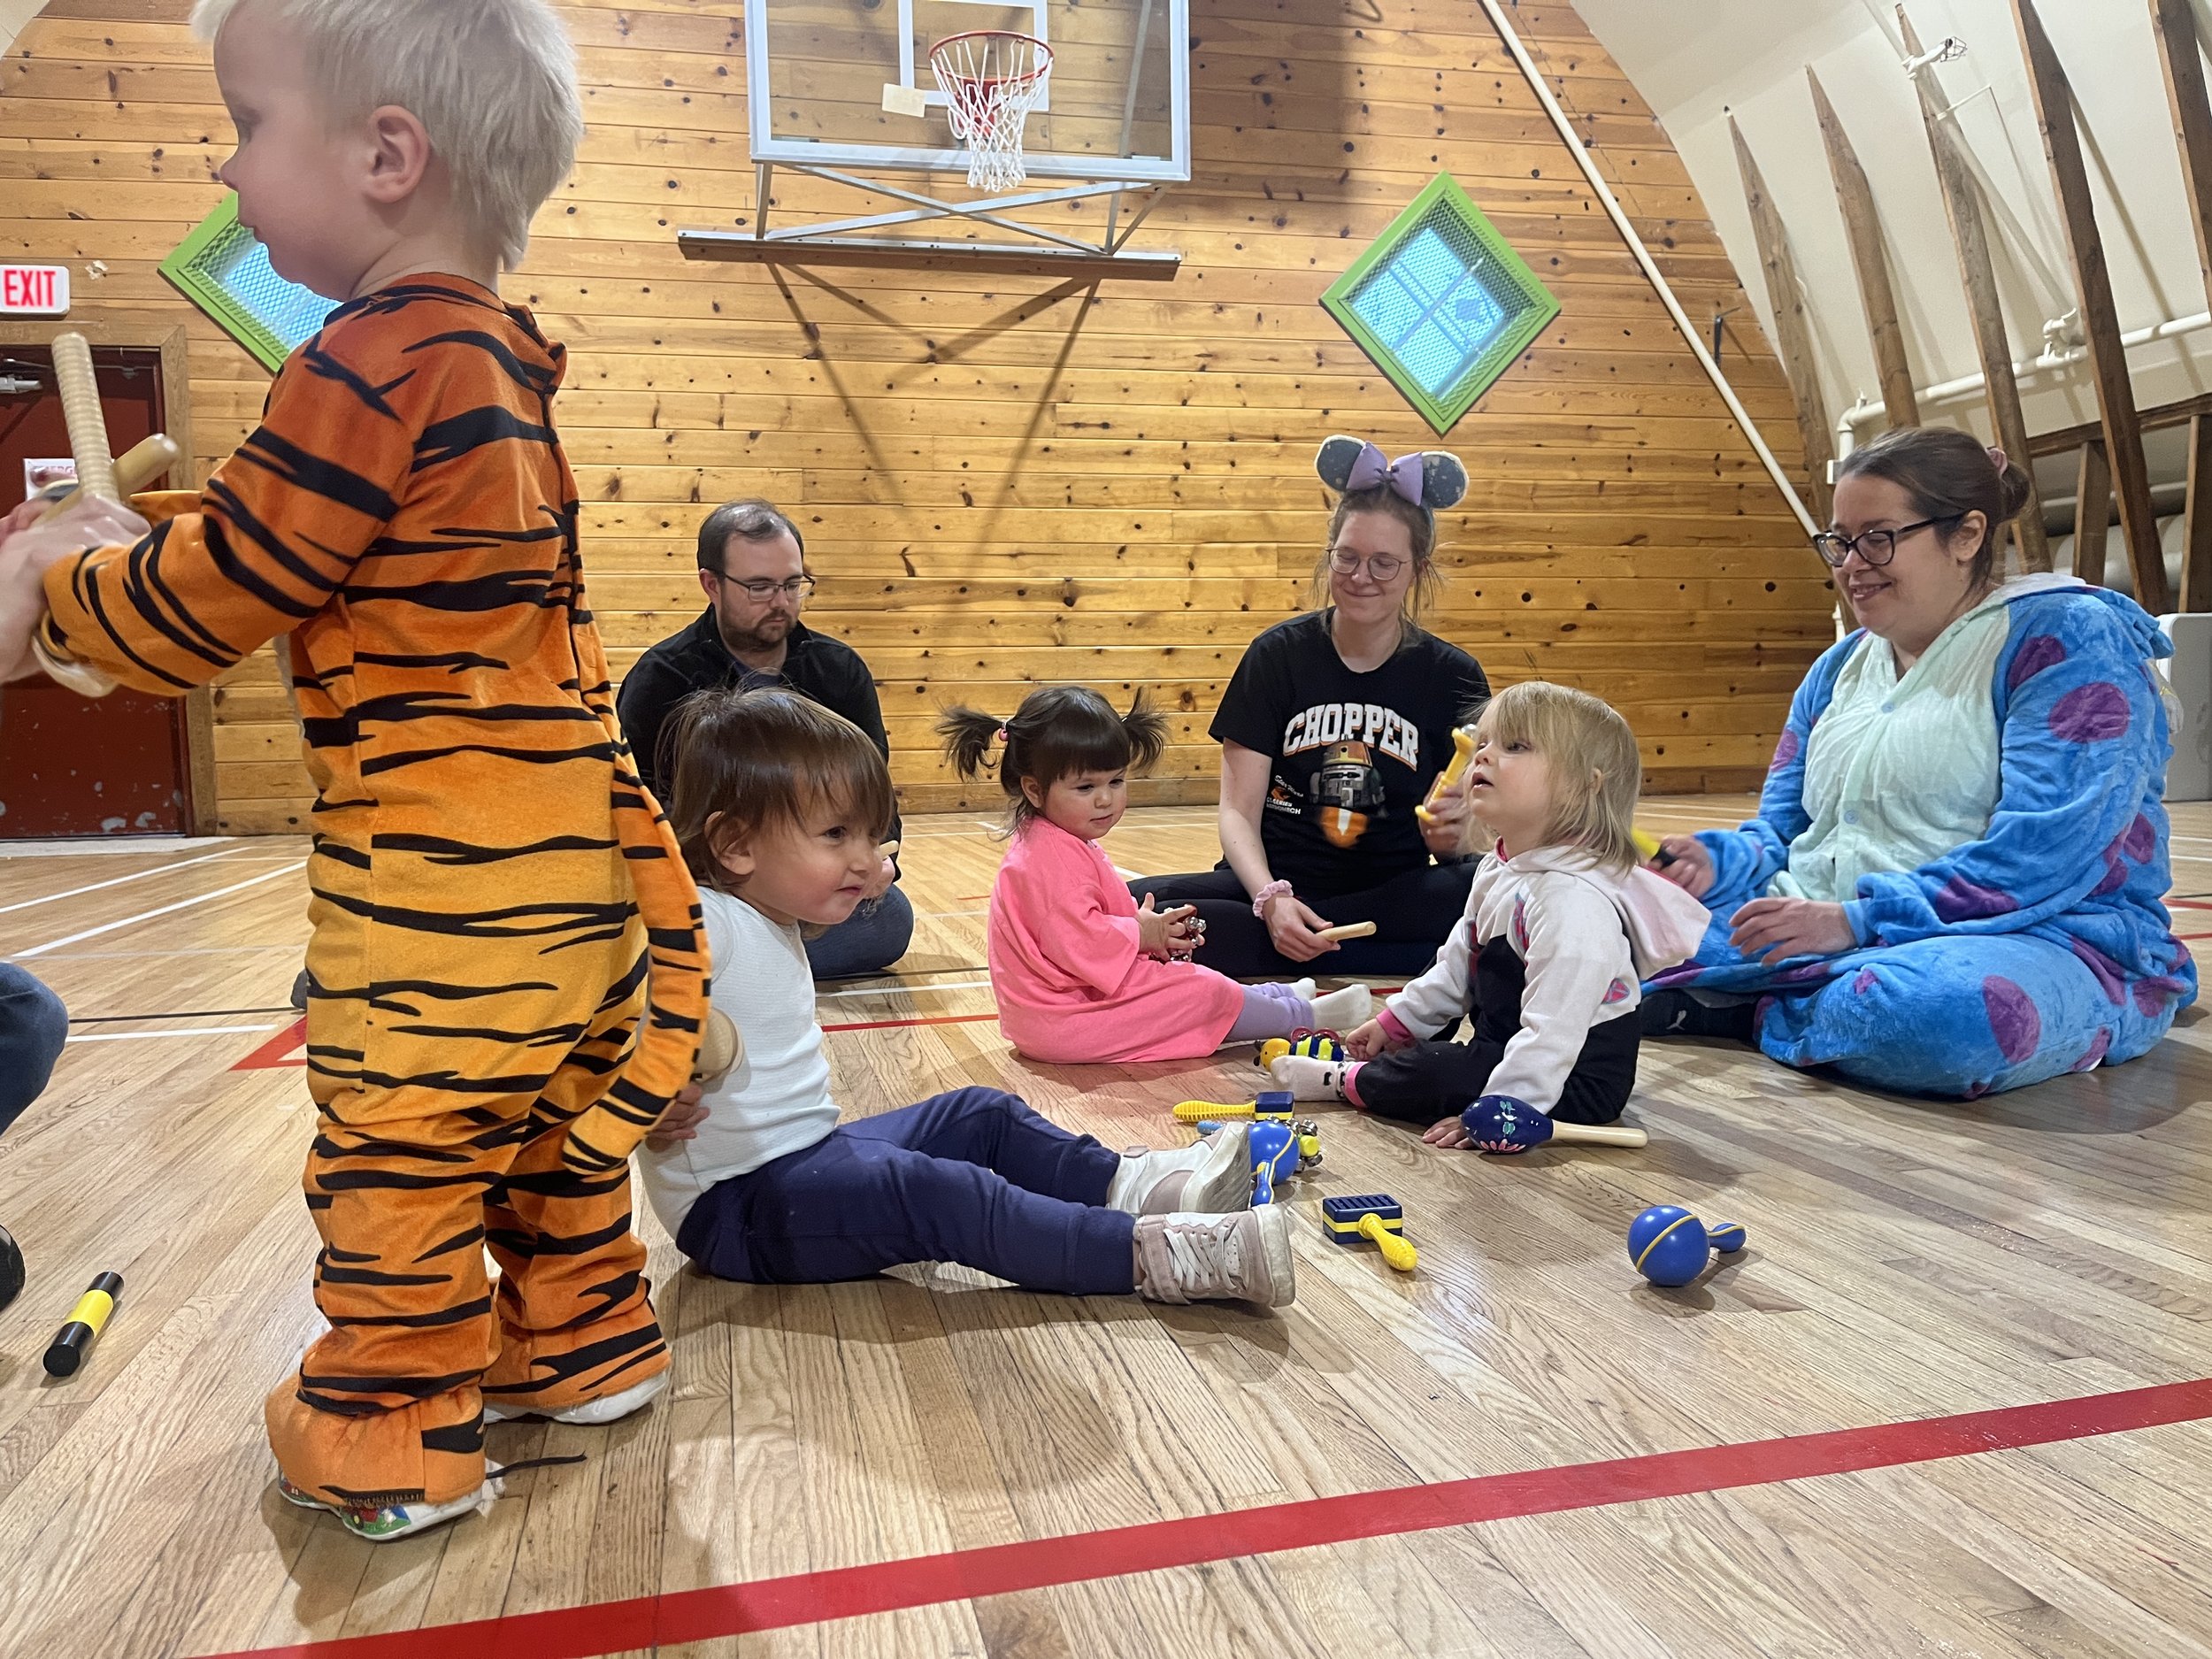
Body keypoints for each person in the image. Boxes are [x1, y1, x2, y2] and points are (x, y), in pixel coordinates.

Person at [0, 0, 710, 1541]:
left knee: (400, 1155)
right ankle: (585, 1346)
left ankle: (386, 1429)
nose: (227, 164)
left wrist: (50, 599)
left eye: (249, 124)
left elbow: (213, 605)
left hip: (440, 894)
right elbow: (317, 538)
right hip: (570, 871)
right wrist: (167, 530)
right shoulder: (492, 359)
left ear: (389, 155)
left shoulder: (367, 355)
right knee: (538, 1140)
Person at [641, 687, 1295, 1308]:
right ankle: (1156, 1256)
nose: (870, 857)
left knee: (980, 1114)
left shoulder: (768, 911)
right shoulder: (703, 921)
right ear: (735, 845)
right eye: (837, 835)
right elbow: (594, 1009)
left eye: (870, 835)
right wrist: (632, 1089)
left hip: (804, 1156)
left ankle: (1140, 1184)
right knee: (938, 1194)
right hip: (735, 1211)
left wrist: (851, 865)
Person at [1642, 426, 2197, 1097]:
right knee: (1591, 911)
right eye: (1840, 541)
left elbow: (2044, 857)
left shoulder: (2065, 636)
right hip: (1824, 919)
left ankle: (1733, 1000)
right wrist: (1714, 861)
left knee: (1953, 1014)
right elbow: (1781, 833)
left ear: (1965, 535)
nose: (1851, 564)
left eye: (1878, 537)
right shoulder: (1837, 667)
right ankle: (1772, 995)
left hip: (2040, 937)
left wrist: (1854, 922)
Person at [1268, 682, 1709, 1144]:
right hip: (1505, 1044)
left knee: (1436, 1074)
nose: (1483, 756)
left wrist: (1505, 1111)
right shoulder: (1500, 868)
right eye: (1483, 743)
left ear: (1584, 785)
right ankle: (1388, 1063)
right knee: (1445, 1001)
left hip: (1572, 1077)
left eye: (1514, 746)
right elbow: (1456, 965)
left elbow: (1553, 1033)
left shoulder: (1574, 903)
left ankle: (1345, 1081)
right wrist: (1398, 1022)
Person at [1130, 437, 1491, 978]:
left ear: (1417, 569)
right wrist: (1273, 903)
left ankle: (1286, 944)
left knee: (1481, 889)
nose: (1360, 576)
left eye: (1384, 563)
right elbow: (1237, 814)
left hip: (1389, 892)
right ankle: (1382, 956)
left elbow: (1466, 842)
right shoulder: (1276, 656)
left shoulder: (1454, 676)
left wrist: (1455, 836)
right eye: (1346, 556)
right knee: (1131, 902)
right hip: (1269, 884)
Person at [939, 686, 1373, 1064]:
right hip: (1066, 1020)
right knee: (1199, 994)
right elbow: (1079, 941)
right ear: (1034, 789)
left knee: (1190, 979)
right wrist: (1140, 935)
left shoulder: (1055, 839)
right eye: (1086, 788)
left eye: (1117, 781)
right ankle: (1307, 1019)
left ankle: (1280, 1001)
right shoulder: (1045, 860)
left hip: (1066, 1008)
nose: (1106, 800)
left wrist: (1140, 929)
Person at [616, 499, 911, 979]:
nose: (780, 601)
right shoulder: (661, 677)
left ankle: (738, 965)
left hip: (815, 877)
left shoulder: (838, 670)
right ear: (711, 584)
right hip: (709, 886)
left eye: (793, 585)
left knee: (890, 921)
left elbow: (873, 789)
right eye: (759, 587)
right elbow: (642, 805)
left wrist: (881, 859)